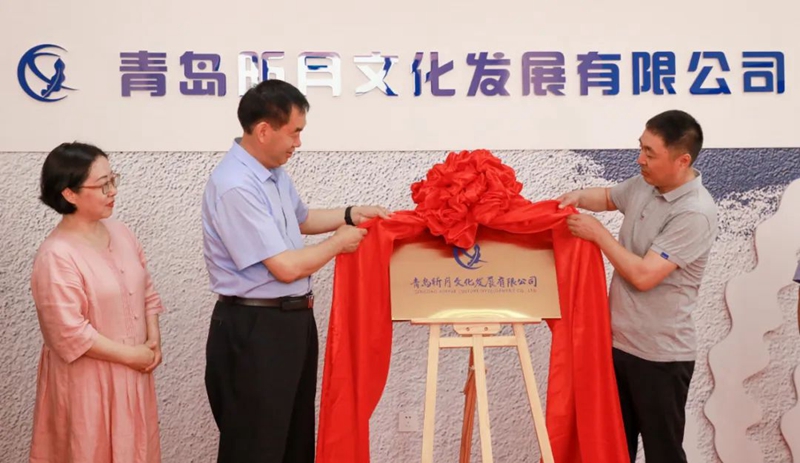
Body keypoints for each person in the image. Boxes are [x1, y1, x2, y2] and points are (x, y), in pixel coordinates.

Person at [202, 79, 389, 463]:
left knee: (293, 441)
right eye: (294, 132)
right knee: (256, 448)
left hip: (290, 325)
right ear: (263, 131)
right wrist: (337, 244)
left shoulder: (271, 173)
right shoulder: (235, 186)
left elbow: (301, 220)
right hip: (256, 329)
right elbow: (285, 267)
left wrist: (351, 214)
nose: (298, 144)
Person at [556, 110, 718, 463]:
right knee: (615, 450)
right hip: (618, 347)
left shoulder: (694, 212)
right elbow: (609, 197)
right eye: (640, 148)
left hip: (660, 357)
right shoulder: (647, 183)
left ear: (682, 161)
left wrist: (599, 235)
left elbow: (644, 276)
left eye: (650, 153)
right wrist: (576, 198)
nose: (640, 159)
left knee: (663, 454)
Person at [29, 142, 164, 463]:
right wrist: (131, 355)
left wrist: (153, 339)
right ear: (70, 194)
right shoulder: (56, 255)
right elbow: (68, 332)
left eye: (113, 179)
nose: (112, 191)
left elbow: (146, 290)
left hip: (133, 373)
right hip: (88, 383)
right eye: (103, 185)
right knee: (89, 450)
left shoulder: (122, 232)